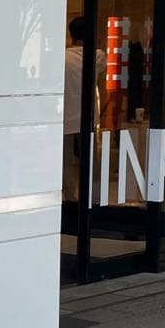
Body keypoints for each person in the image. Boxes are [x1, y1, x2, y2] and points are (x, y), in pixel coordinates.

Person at [63, 15, 107, 200]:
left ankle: (70, 199)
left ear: (71, 34)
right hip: (87, 118)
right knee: (89, 162)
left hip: (65, 118)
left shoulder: (62, 57)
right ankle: (90, 198)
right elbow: (102, 69)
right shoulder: (97, 56)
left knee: (65, 163)